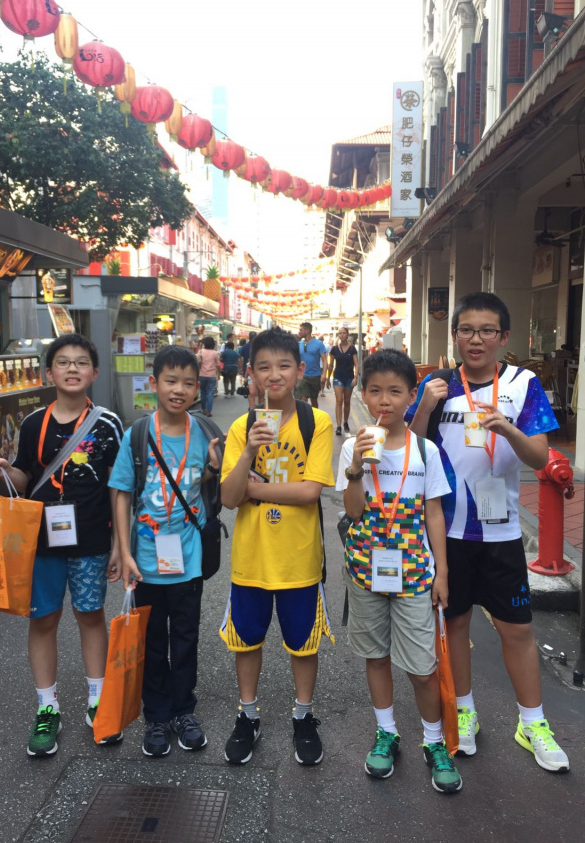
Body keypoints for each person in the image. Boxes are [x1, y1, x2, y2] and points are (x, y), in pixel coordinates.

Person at [406, 291, 569, 773]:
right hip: (448, 531)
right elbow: (410, 451)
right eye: (466, 330)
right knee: (455, 624)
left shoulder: (523, 383)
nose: (475, 340)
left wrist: (508, 429)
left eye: (486, 331)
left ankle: (532, 723)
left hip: (501, 533)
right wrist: (423, 407)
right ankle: (465, 712)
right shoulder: (436, 384)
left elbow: (539, 457)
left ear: (503, 336)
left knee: (517, 629)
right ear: (454, 335)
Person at [0, 333, 124, 757]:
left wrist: (121, 545)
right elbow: (24, 479)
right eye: (63, 362)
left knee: (90, 615)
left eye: (81, 362)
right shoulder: (32, 424)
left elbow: (120, 488)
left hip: (92, 539)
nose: (72, 368)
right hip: (40, 542)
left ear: (94, 372)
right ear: (49, 373)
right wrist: (1, 471)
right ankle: (48, 708)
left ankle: (98, 701)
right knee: (43, 620)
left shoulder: (108, 424)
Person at [335, 349, 462, 793]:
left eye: (395, 391)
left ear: (412, 396)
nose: (384, 400)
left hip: (414, 573)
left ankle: (434, 740)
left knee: (423, 667)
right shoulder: (353, 447)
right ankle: (386, 731)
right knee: (376, 656)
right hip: (364, 569)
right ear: (363, 395)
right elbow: (354, 512)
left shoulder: (425, 450)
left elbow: (434, 514)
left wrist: (442, 572)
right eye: (375, 391)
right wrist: (356, 469)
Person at [220, 328, 335, 766]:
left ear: (300, 370)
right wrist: (248, 454)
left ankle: (303, 715)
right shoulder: (241, 427)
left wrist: (257, 489)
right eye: (264, 367)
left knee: (303, 643)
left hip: (299, 558)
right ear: (250, 373)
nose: (274, 375)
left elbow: (310, 492)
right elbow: (229, 497)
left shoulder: (316, 422)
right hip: (251, 558)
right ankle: (247, 714)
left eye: (283, 366)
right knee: (246, 640)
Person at [109, 346, 221, 758]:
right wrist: (124, 552)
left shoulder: (204, 432)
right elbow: (121, 493)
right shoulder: (138, 434)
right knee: (152, 641)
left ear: (197, 387)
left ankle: (183, 711)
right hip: (145, 560)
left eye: (189, 383)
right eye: (171, 381)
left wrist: (212, 468)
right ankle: (156, 716)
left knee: (186, 639)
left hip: (188, 558)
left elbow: (204, 483)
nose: (179, 390)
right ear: (154, 383)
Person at [327, 326, 359, 436]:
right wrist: (328, 378)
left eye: (344, 333)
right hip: (338, 377)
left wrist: (355, 377)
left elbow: (356, 364)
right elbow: (330, 365)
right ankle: (339, 426)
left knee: (347, 401)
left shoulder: (352, 349)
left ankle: (345, 422)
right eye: (340, 333)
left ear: (347, 334)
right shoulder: (334, 349)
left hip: (349, 377)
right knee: (339, 400)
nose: (342, 335)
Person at [296, 322, 328, 408]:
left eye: (301, 330)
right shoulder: (299, 344)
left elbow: (324, 360)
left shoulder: (319, 344)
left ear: (307, 331)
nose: (299, 332)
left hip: (315, 376)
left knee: (314, 401)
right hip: (302, 376)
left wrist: (324, 374)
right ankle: (304, 415)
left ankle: (314, 415)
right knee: (303, 399)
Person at [197, 336, 220, 417]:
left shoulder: (200, 352)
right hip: (211, 375)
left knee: (203, 392)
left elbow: (197, 362)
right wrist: (219, 374)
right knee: (210, 393)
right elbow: (218, 365)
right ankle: (209, 411)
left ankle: (203, 409)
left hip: (201, 375)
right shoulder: (215, 353)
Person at [238, 331, 257, 410]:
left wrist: (242, 369)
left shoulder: (244, 347)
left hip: (248, 371)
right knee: (259, 393)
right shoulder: (259, 346)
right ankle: (257, 407)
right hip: (258, 371)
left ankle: (252, 407)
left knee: (251, 391)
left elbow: (242, 359)